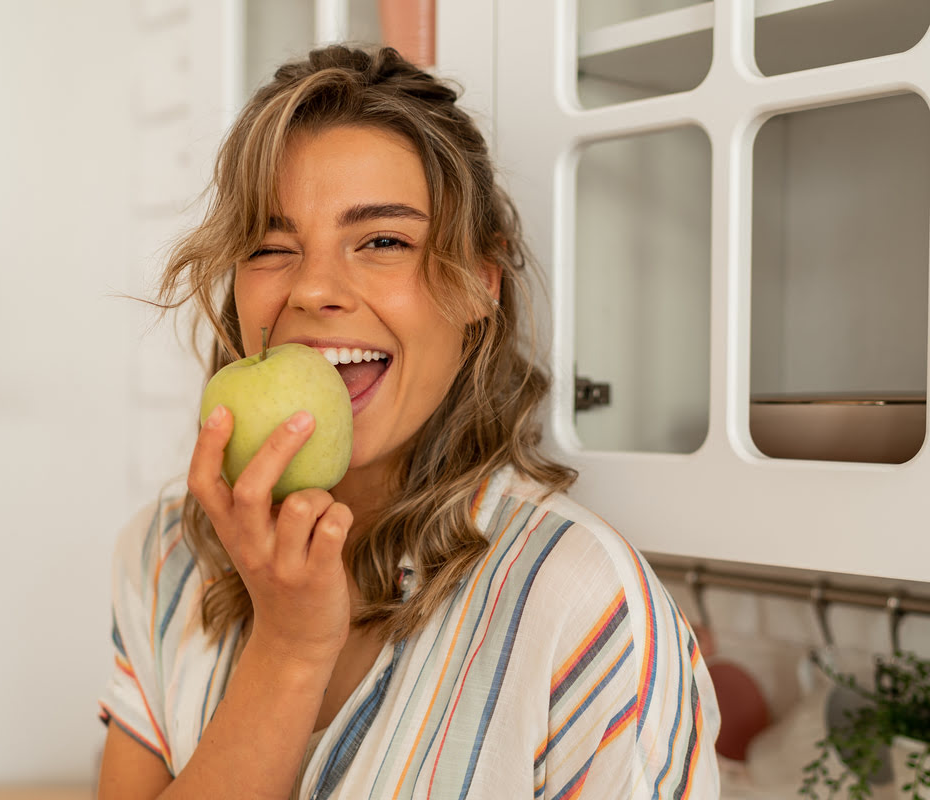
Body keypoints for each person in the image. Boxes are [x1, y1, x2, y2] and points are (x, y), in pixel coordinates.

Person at [97, 45, 721, 799]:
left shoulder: (583, 606)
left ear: (477, 286)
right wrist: (288, 653)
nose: (314, 288)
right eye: (271, 246)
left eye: (383, 241)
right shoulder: (168, 554)